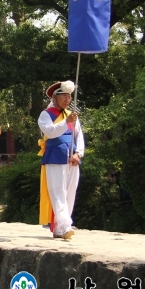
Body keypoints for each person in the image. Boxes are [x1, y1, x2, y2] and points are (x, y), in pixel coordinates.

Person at [38, 80, 84, 240]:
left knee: (70, 192)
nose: (67, 100)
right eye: (64, 96)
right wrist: (67, 122)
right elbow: (50, 132)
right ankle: (65, 225)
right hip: (55, 156)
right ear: (55, 97)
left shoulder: (70, 115)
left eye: (69, 97)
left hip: (71, 158)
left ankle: (60, 227)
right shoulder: (46, 114)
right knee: (58, 192)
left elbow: (79, 136)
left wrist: (78, 153)